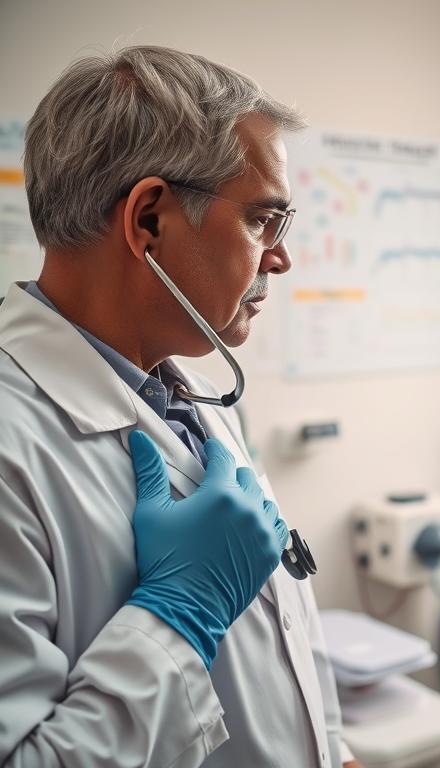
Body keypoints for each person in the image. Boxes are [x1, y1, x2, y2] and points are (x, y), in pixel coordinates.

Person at [0, 46, 360, 767]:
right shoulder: (13, 447)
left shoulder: (188, 393)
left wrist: (336, 751)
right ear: (150, 221)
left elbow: (280, 639)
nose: (281, 259)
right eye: (264, 220)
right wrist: (176, 614)